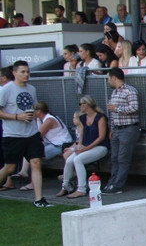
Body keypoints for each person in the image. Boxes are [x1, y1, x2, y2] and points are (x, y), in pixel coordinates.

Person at [0, 61, 50, 207]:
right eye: (23, 72)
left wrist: (33, 115)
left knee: (36, 163)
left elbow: (33, 108)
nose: (26, 74)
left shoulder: (32, 89)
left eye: (28, 71)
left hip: (31, 133)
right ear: (14, 73)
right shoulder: (5, 90)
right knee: (9, 167)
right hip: (13, 134)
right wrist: (18, 117)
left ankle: (39, 199)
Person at [56, 95, 109, 199]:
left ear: (87, 104)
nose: (80, 106)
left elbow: (101, 137)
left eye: (81, 104)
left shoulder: (100, 117)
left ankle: (81, 189)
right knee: (69, 161)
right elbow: (81, 134)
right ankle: (65, 186)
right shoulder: (83, 118)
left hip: (100, 147)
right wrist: (79, 146)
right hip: (86, 146)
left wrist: (86, 148)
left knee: (78, 160)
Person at [104, 68, 140, 194]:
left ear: (114, 78)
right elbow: (112, 114)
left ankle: (118, 185)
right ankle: (111, 183)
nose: (108, 81)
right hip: (117, 129)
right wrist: (112, 128)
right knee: (114, 158)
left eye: (108, 78)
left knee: (123, 158)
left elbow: (135, 108)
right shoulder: (114, 93)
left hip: (128, 128)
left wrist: (117, 108)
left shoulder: (130, 91)